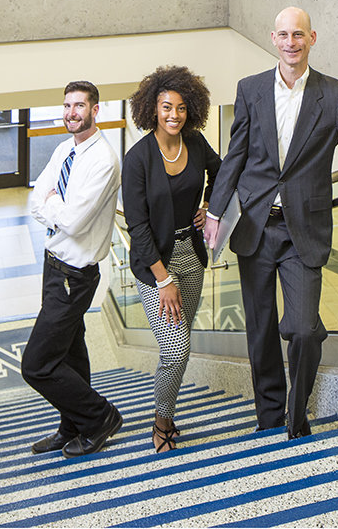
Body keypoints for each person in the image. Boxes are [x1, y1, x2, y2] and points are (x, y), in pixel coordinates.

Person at [203, 7, 338, 439]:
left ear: (313, 38)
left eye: (300, 35)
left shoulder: (332, 94)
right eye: (284, 35)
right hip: (255, 225)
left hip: (303, 231)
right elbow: (235, 156)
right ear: (274, 39)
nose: (291, 42)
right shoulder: (251, 89)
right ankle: (270, 417)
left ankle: (297, 412)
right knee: (260, 330)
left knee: (306, 329)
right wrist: (216, 212)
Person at [121, 66, 221, 453]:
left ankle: (168, 410)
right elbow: (138, 226)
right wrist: (163, 279)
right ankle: (162, 418)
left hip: (191, 254)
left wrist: (210, 205)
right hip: (155, 267)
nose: (174, 115)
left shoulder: (194, 143)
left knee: (182, 340)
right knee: (176, 348)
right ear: (152, 109)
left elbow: (221, 169)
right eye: (166, 107)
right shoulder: (138, 159)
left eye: (181, 108)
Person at [23, 81, 123, 458]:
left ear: (95, 111)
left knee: (36, 365)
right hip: (53, 266)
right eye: (67, 106)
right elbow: (36, 198)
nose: (71, 113)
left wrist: (53, 205)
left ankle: (100, 417)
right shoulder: (65, 149)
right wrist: (53, 205)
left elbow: (76, 220)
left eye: (79, 106)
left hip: (74, 275)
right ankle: (73, 424)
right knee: (68, 352)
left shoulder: (103, 160)